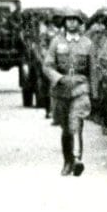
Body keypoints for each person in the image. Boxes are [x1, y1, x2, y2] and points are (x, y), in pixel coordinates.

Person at [44, 9, 94, 176]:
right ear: (64, 23)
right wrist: (58, 78)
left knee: (76, 123)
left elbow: (93, 69)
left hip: (80, 88)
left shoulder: (87, 43)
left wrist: (94, 93)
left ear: (80, 23)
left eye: (75, 20)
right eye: (68, 20)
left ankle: (78, 158)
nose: (71, 23)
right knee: (66, 128)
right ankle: (68, 161)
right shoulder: (56, 42)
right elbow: (48, 65)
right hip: (61, 90)